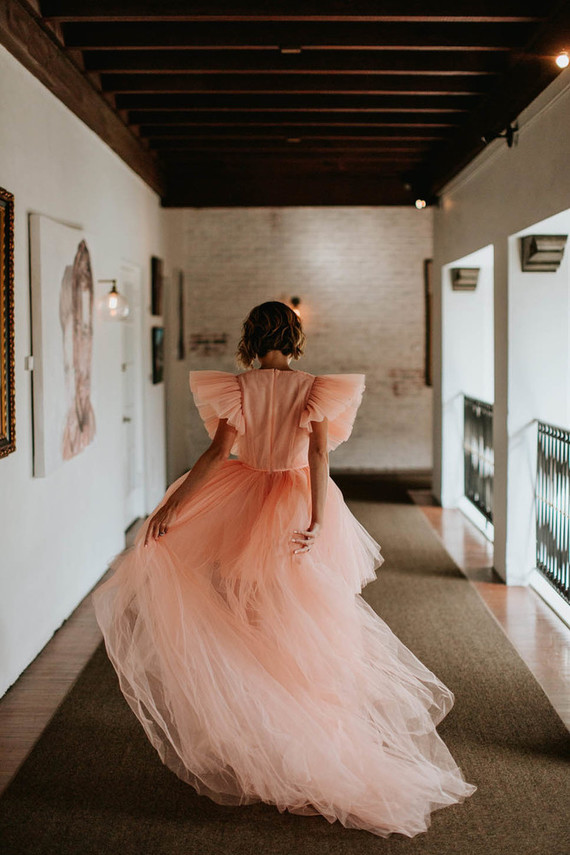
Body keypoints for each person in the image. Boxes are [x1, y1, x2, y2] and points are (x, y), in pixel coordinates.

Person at [92, 300, 476, 838]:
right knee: (299, 613)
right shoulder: (315, 388)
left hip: (244, 495)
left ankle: (267, 726)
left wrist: (173, 507)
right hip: (294, 499)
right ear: (293, 336)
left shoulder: (240, 390)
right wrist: (319, 520)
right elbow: (319, 458)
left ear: (252, 337)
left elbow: (215, 455)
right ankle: (299, 719)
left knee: (249, 614)